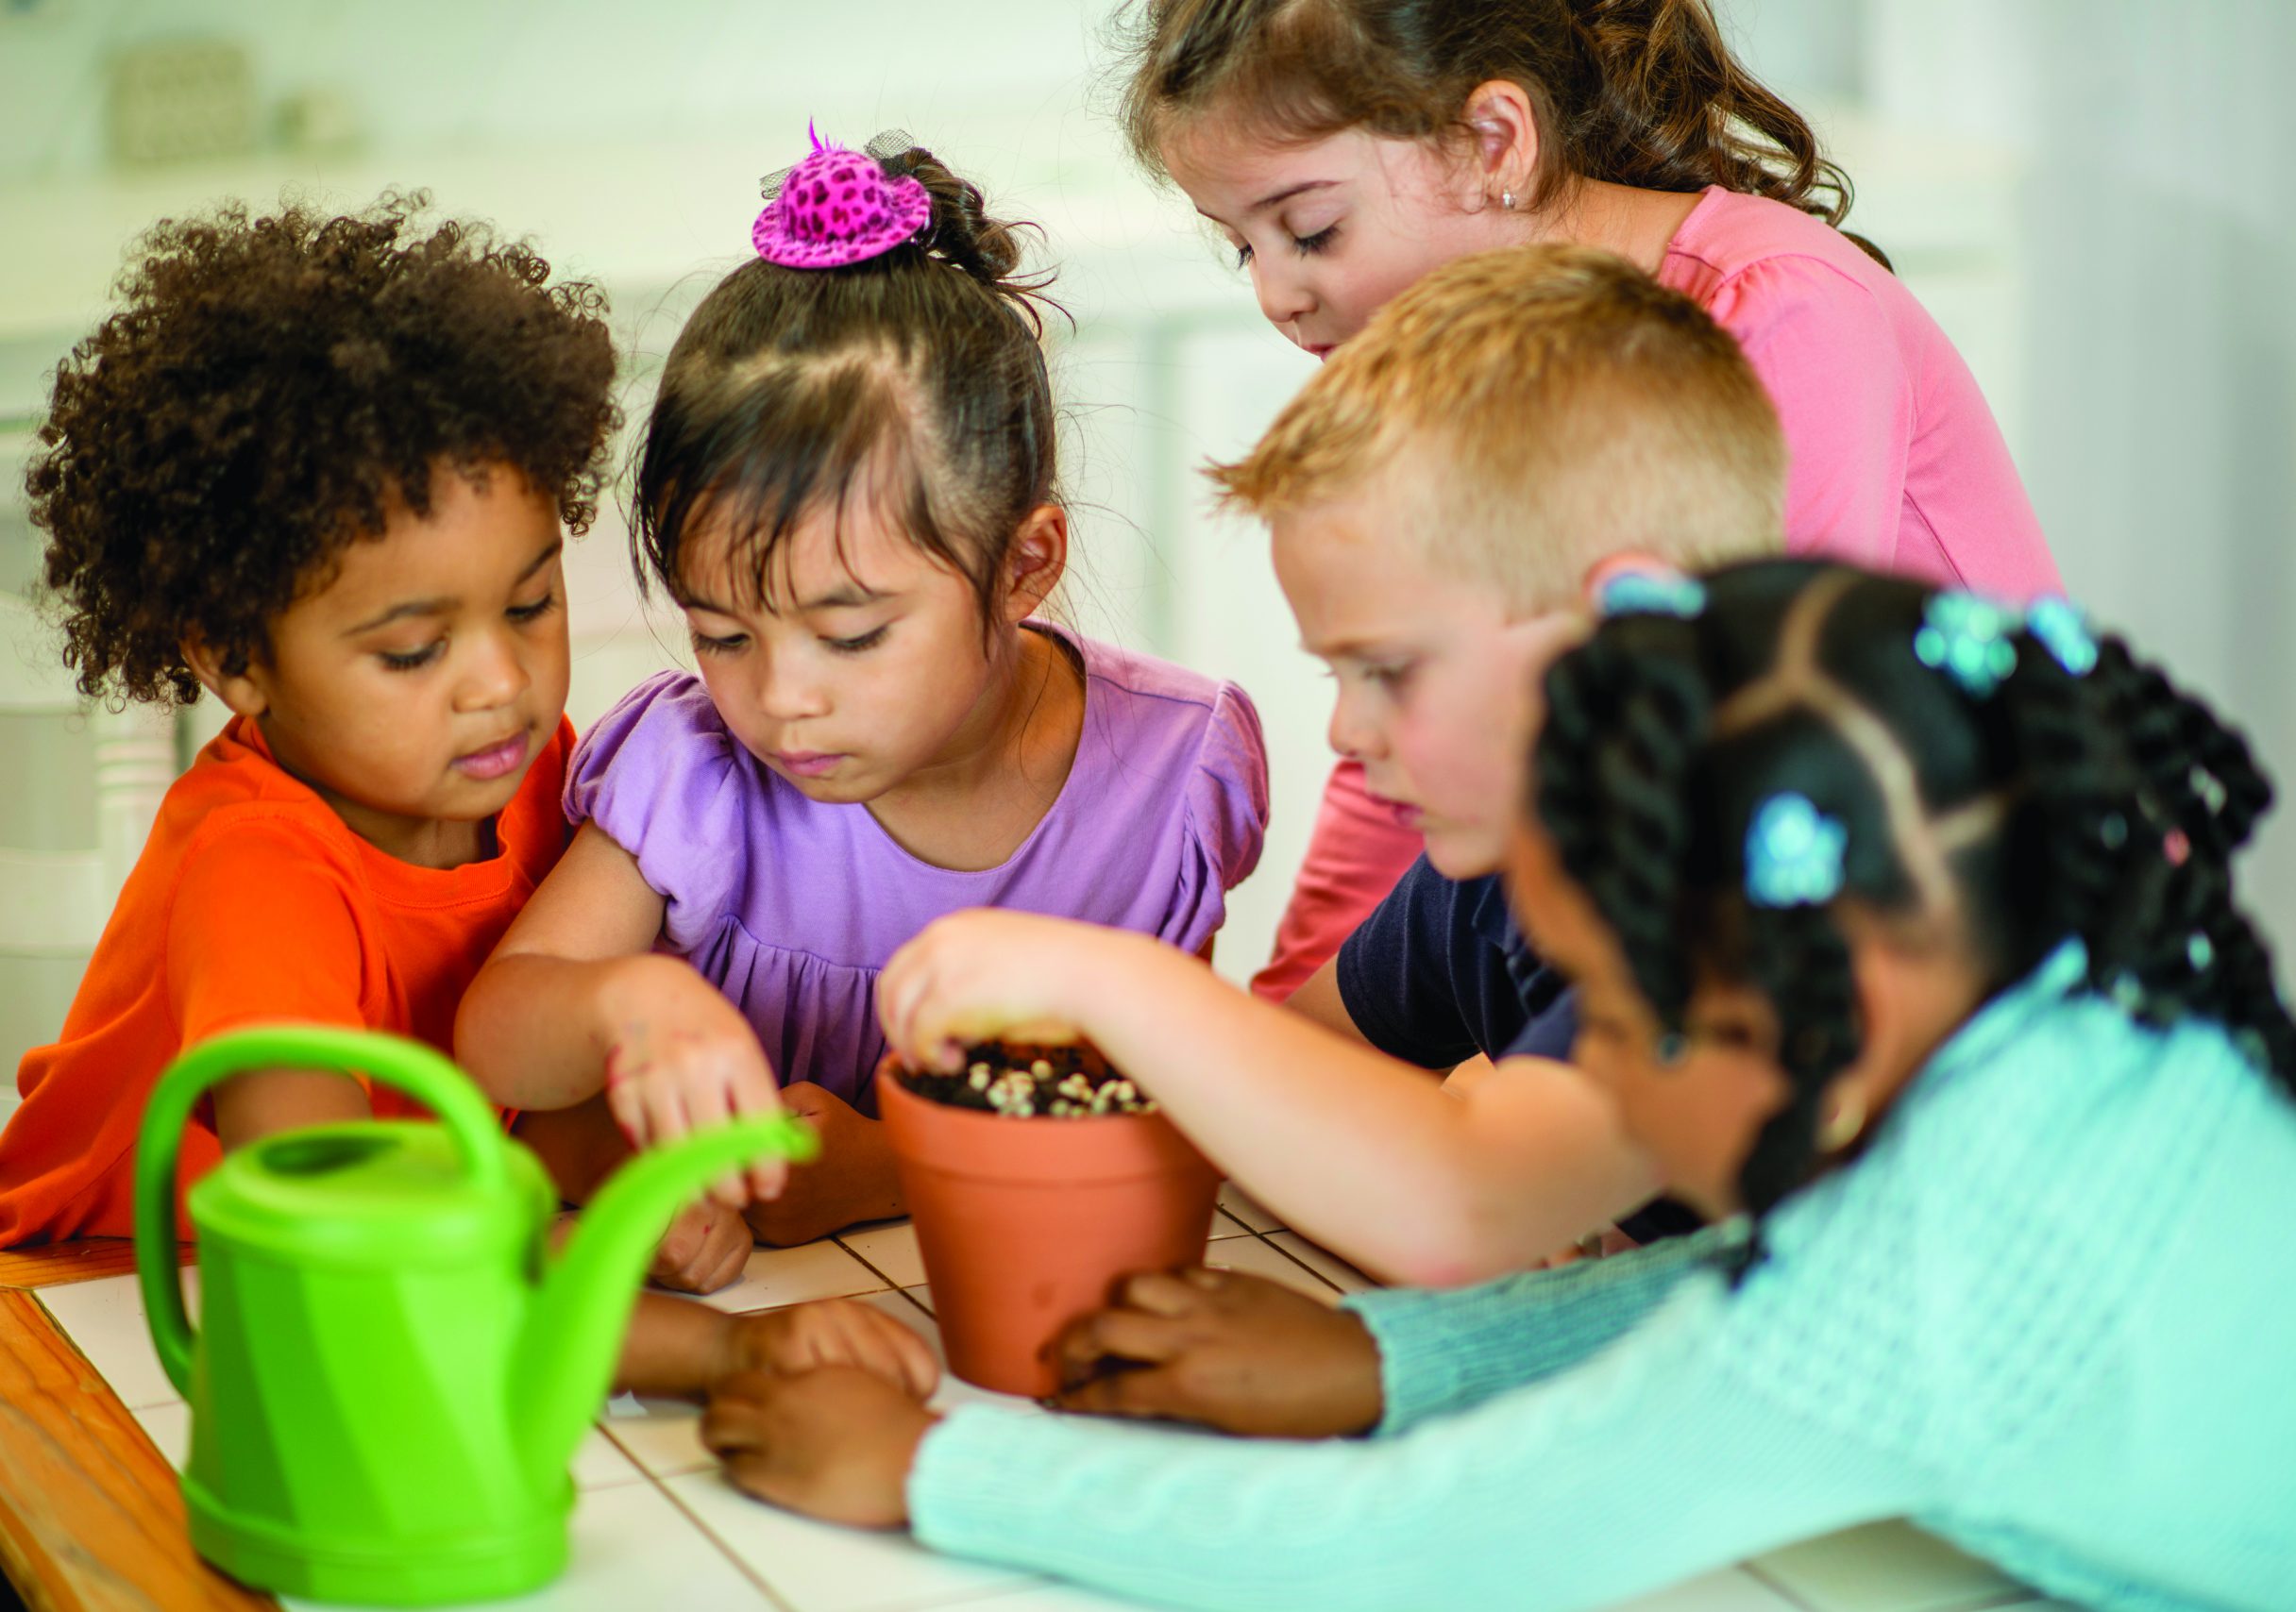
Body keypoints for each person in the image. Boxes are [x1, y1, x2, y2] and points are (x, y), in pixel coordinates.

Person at [703, 561, 2296, 1612]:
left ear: (1829, 997)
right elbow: (1749, 1287)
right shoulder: (2079, 1012)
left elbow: (1430, 1552)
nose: (1577, 1060)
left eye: (1602, 1006)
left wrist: (935, 1475)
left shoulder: (1938, 1270)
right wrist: (1394, 1351)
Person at [0, 194, 929, 1396]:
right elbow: (339, 1220)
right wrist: (717, 1348)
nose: (499, 684)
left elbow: (500, 1084)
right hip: (102, 1296)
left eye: (531, 605)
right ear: (234, 657)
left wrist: (640, 1177)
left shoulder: (535, 776)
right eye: (409, 652)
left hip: (409, 1212)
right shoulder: (258, 869)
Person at [1110, 0, 2065, 996]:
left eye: (1311, 230)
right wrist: (1294, 1019)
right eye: (1242, 247)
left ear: (1492, 142)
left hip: (1991, 956)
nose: (1274, 294)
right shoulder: (1442, 360)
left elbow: (1751, 751)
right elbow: (1416, 719)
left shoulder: (1788, 310)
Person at [877, 243, 1783, 1283]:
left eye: (1391, 671)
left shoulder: (1754, 877)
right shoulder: (1486, 882)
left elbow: (1465, 1201)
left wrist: (1109, 977)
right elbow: (1307, 1072)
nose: (1346, 732)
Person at [453, 134, 1269, 1251]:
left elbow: (1162, 1113)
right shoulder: (695, 772)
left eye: (852, 633)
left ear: (1022, 565)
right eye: (723, 633)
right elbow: (497, 1037)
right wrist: (618, 1010)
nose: (783, 699)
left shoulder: (1169, 780)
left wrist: (885, 1169)